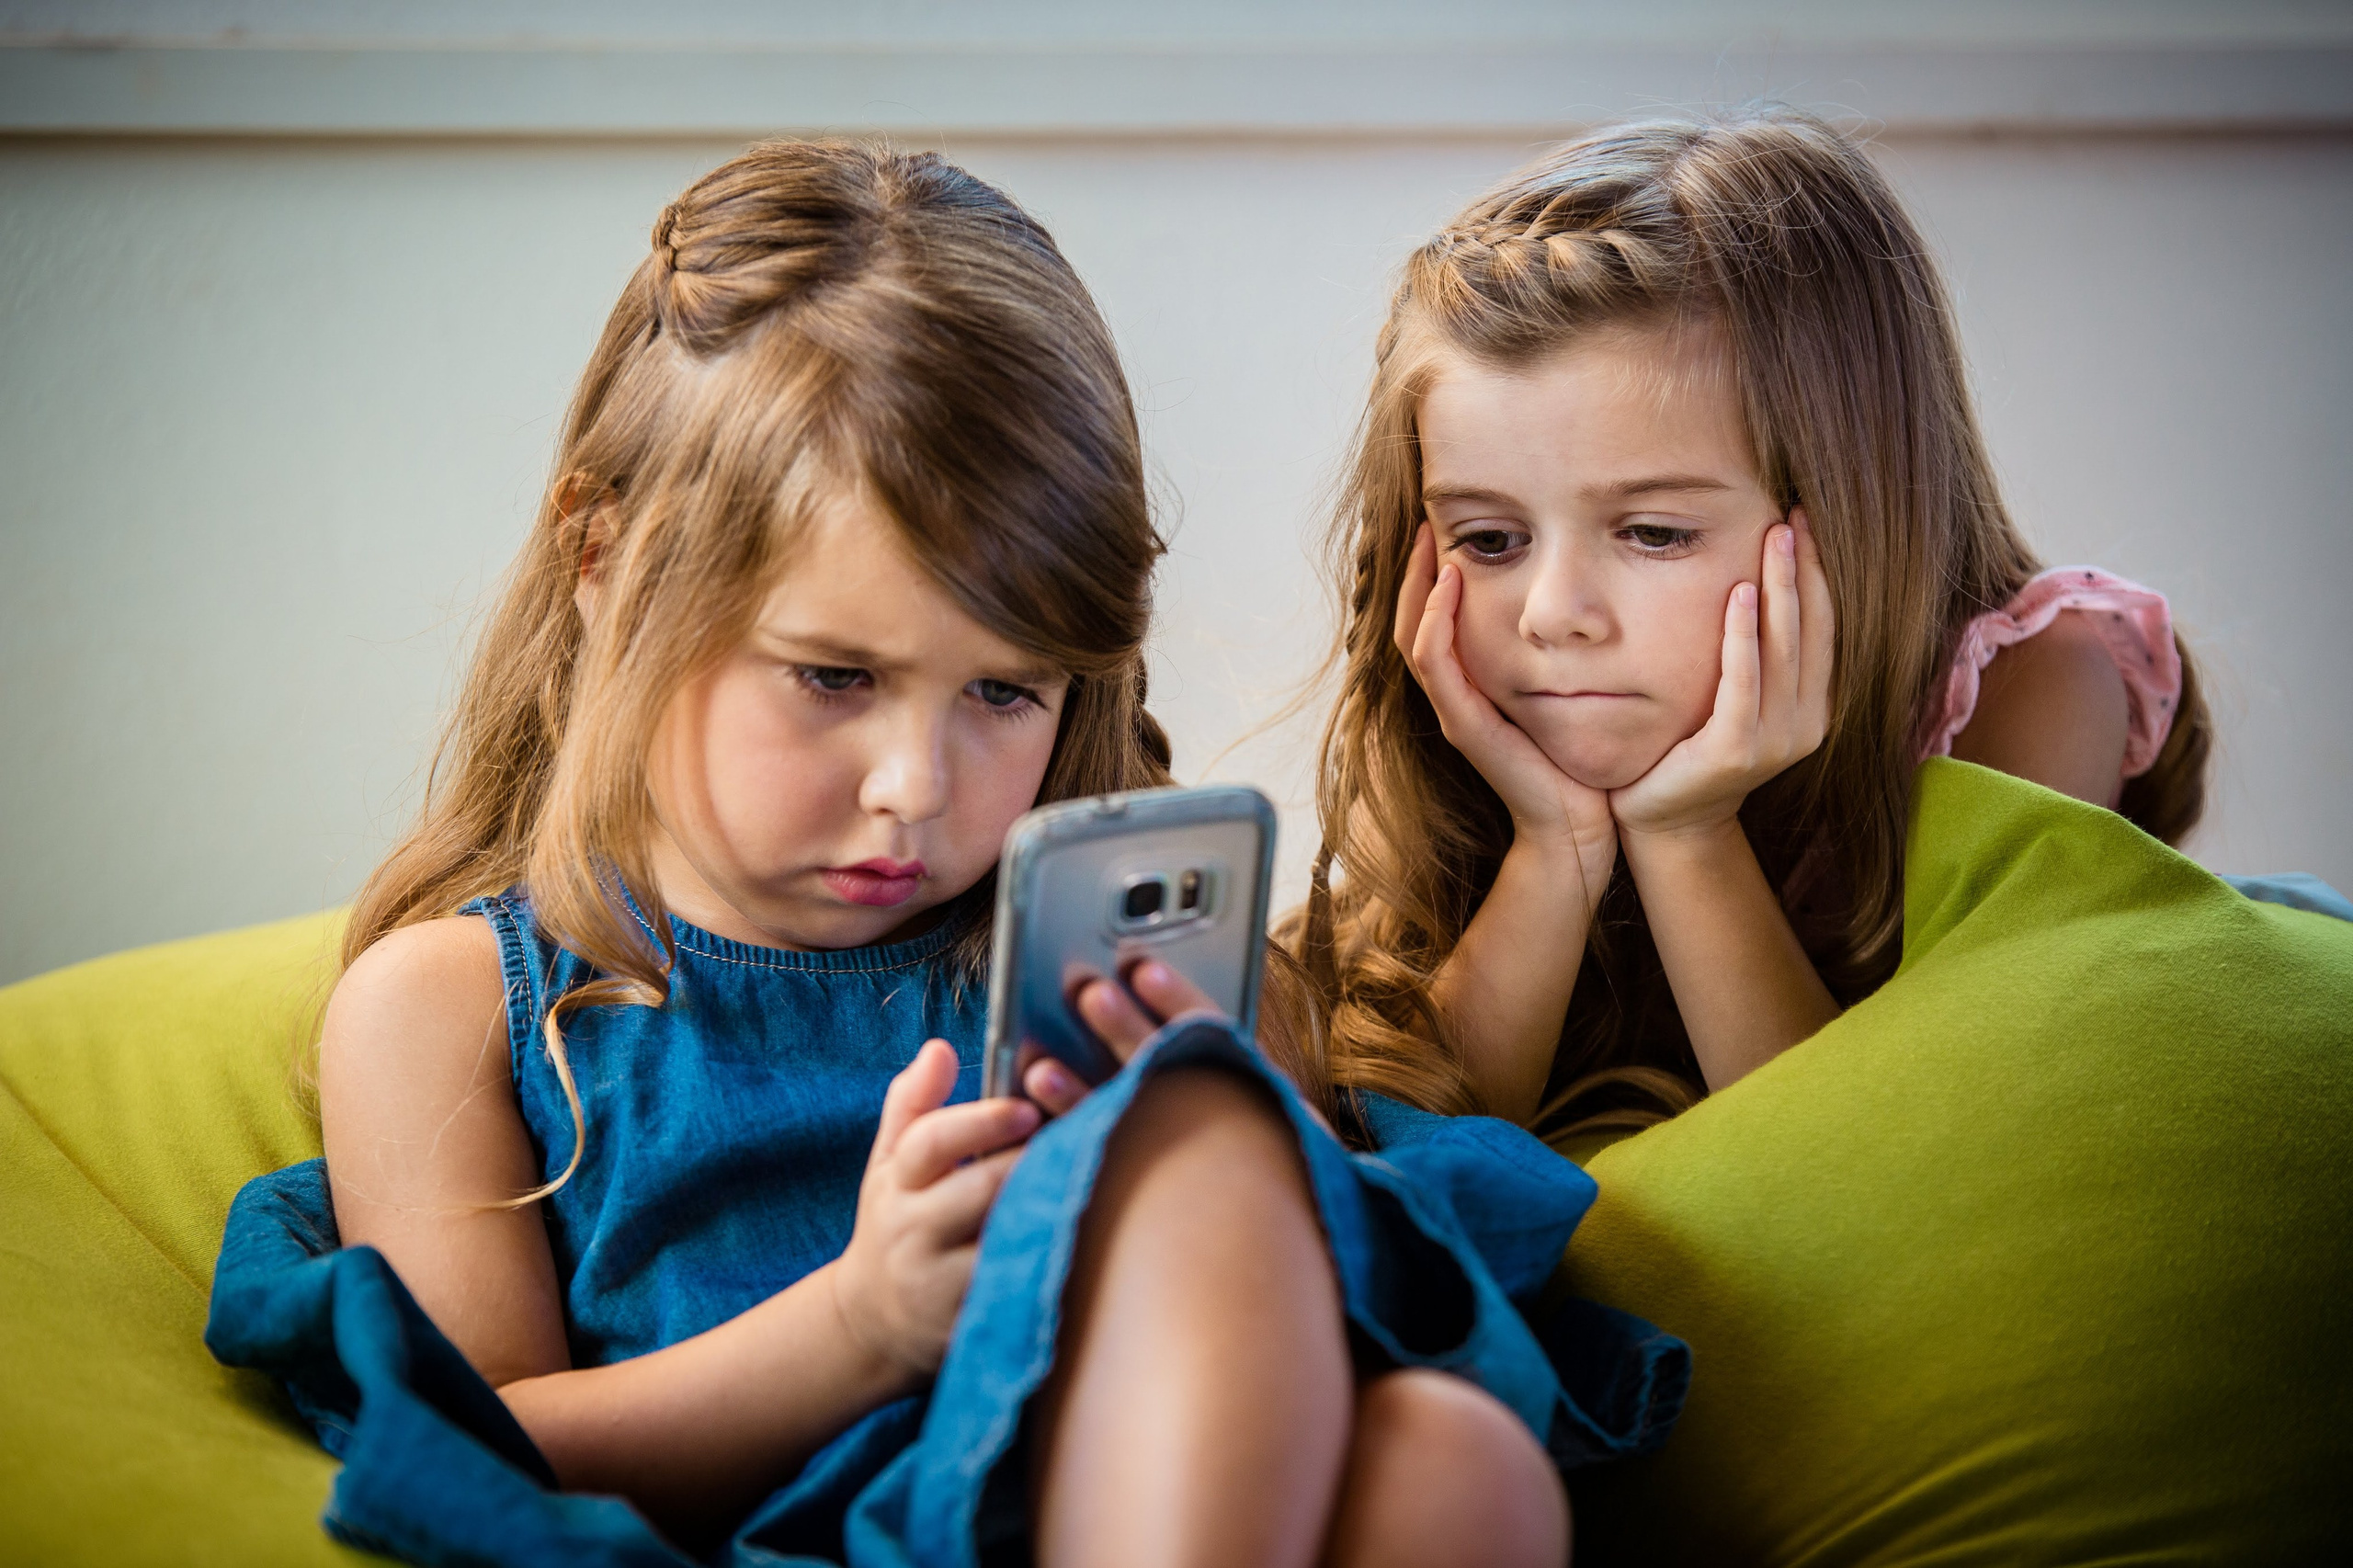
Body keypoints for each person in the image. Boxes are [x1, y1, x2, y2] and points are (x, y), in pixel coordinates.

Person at [208, 140, 1683, 1568]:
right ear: (604, 565)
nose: (915, 786)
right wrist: (859, 1324)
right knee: (1214, 1158)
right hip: (850, 1521)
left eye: (1003, 691)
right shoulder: (453, 1010)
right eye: (833, 677)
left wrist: (1242, 1095)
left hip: (1143, 1479)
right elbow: (480, 1445)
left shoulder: (1094, 966)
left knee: (1458, 1460)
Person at [1289, 108, 2211, 1145]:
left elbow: (1879, 1178)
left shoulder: (2031, 682)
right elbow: (1418, 1176)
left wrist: (1685, 835)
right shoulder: (1459, 716)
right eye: (1491, 540)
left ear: (1851, 509)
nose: (1552, 616)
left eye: (1650, 532)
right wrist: (1554, 849)